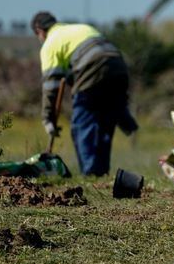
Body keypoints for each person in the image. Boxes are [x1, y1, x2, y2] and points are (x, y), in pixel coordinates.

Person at [31, 12, 138, 176]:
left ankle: (91, 174)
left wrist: (47, 119)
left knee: (82, 124)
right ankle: (100, 173)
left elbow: (50, 85)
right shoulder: (80, 28)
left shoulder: (50, 43)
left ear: (39, 30)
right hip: (117, 64)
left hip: (92, 66)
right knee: (104, 122)